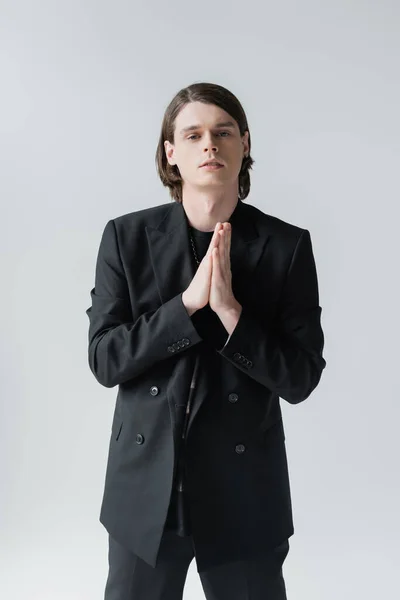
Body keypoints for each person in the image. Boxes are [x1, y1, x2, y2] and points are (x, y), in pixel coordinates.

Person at [85, 82, 327, 599]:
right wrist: (186, 308)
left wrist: (232, 316)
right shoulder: (125, 239)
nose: (209, 145)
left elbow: (301, 377)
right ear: (171, 154)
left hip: (244, 493)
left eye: (222, 133)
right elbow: (105, 360)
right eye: (192, 135)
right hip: (146, 494)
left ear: (244, 142)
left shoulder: (286, 247)